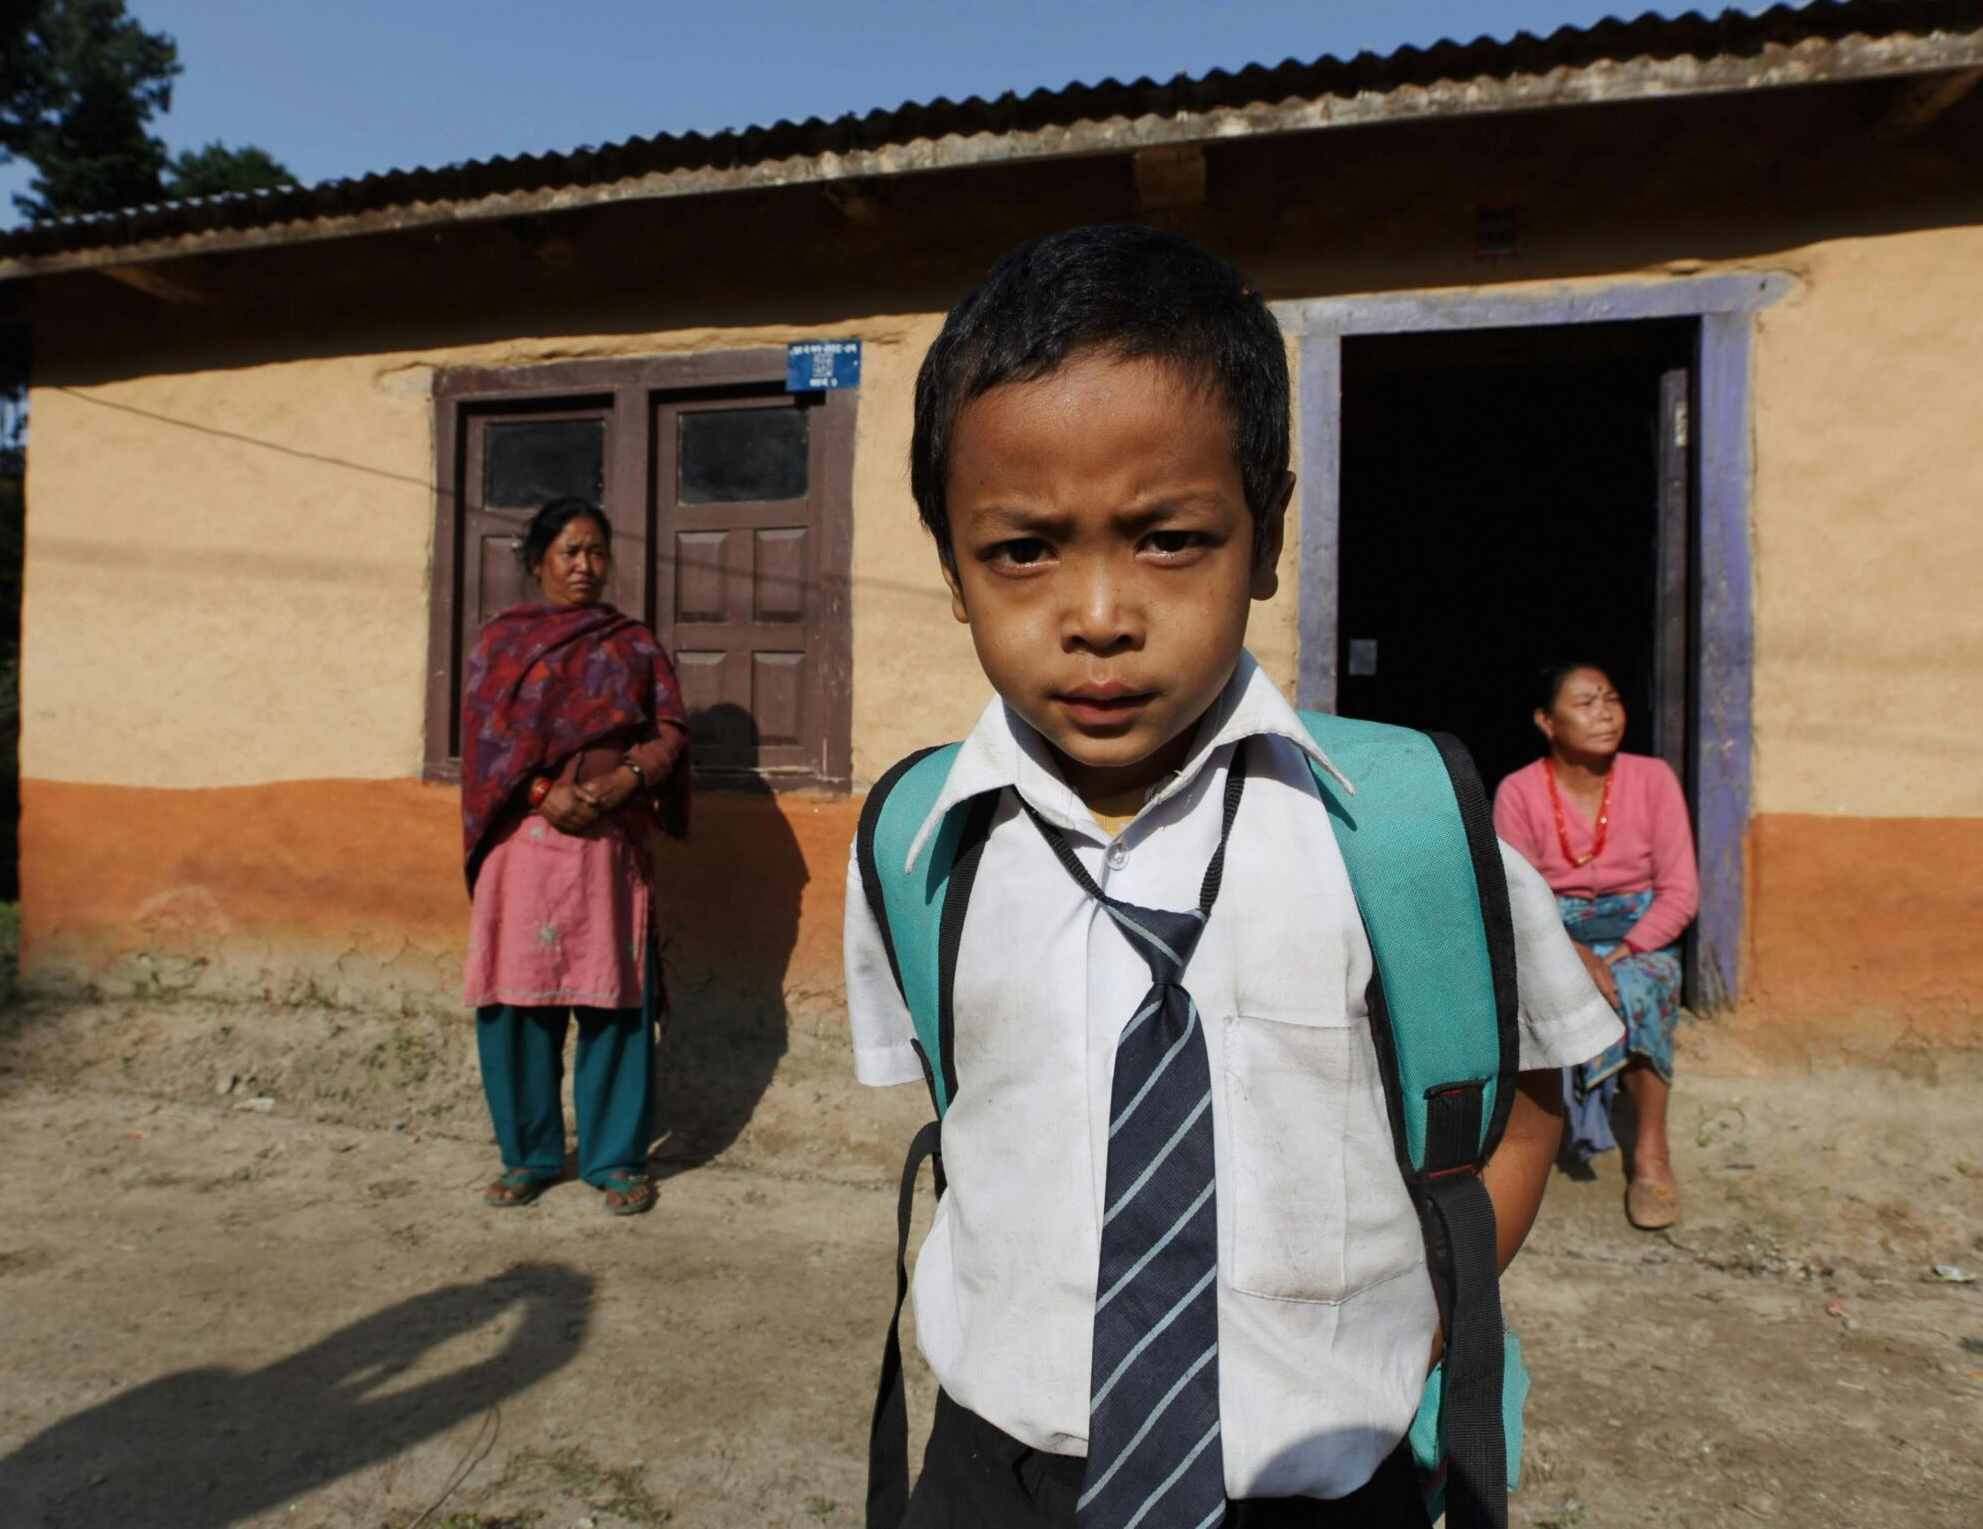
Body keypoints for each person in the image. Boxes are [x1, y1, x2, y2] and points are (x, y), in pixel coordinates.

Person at [843, 226, 1622, 1527]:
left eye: (1169, 538)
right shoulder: (923, 843)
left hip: (1320, 1477)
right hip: (993, 1468)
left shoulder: (1407, 835)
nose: (1097, 611)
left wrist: (1432, 1309)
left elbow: (1532, 1089)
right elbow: (971, 1095)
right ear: (951, 567)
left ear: (1264, 539)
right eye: (1022, 550)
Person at [459, 496, 689, 1217]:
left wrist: (626, 779)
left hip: (608, 848)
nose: (586, 566)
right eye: (569, 552)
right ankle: (527, 1156)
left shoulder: (632, 644)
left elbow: (670, 731)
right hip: (524, 847)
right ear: (537, 563)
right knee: (517, 1002)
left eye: (596, 551)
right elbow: (484, 744)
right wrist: (538, 790)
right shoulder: (501, 643)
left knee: (614, 999)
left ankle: (614, 1159)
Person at [1490, 663, 1696, 1231]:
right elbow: (1518, 894)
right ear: (1545, 721)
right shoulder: (1519, 791)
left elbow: (1680, 892)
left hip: (1638, 937)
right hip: (1553, 931)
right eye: (1584, 702)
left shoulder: (1653, 779)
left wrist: (1616, 957)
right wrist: (1576, 955)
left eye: (1611, 698)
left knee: (1642, 986)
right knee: (1542, 989)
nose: (1603, 712)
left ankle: (1651, 1150)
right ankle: (1540, 1142)